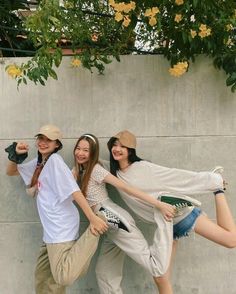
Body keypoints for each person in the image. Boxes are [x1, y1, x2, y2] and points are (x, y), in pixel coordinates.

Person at [97, 130, 236, 294]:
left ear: (130, 150)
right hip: (167, 224)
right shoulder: (115, 173)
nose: (117, 149)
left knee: (230, 240)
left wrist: (210, 181)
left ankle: (218, 189)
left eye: (122, 146)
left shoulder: (142, 167)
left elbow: (174, 176)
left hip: (182, 215)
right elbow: (95, 162)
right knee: (160, 276)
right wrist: (85, 155)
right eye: (114, 145)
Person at [72, 133, 189, 294]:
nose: (80, 153)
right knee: (105, 274)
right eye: (78, 148)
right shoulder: (79, 170)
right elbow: (64, 182)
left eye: (86, 150)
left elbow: (127, 188)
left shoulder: (96, 170)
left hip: (114, 219)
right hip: (108, 227)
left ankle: (170, 230)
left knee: (155, 266)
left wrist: (158, 204)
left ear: (93, 153)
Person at [5, 124, 108, 294]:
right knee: (44, 280)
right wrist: (17, 154)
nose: (43, 142)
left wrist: (93, 218)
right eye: (41, 138)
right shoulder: (39, 164)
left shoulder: (55, 162)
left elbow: (74, 191)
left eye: (49, 140)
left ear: (57, 145)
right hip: (50, 230)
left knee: (63, 277)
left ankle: (95, 229)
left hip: (61, 227)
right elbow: (11, 171)